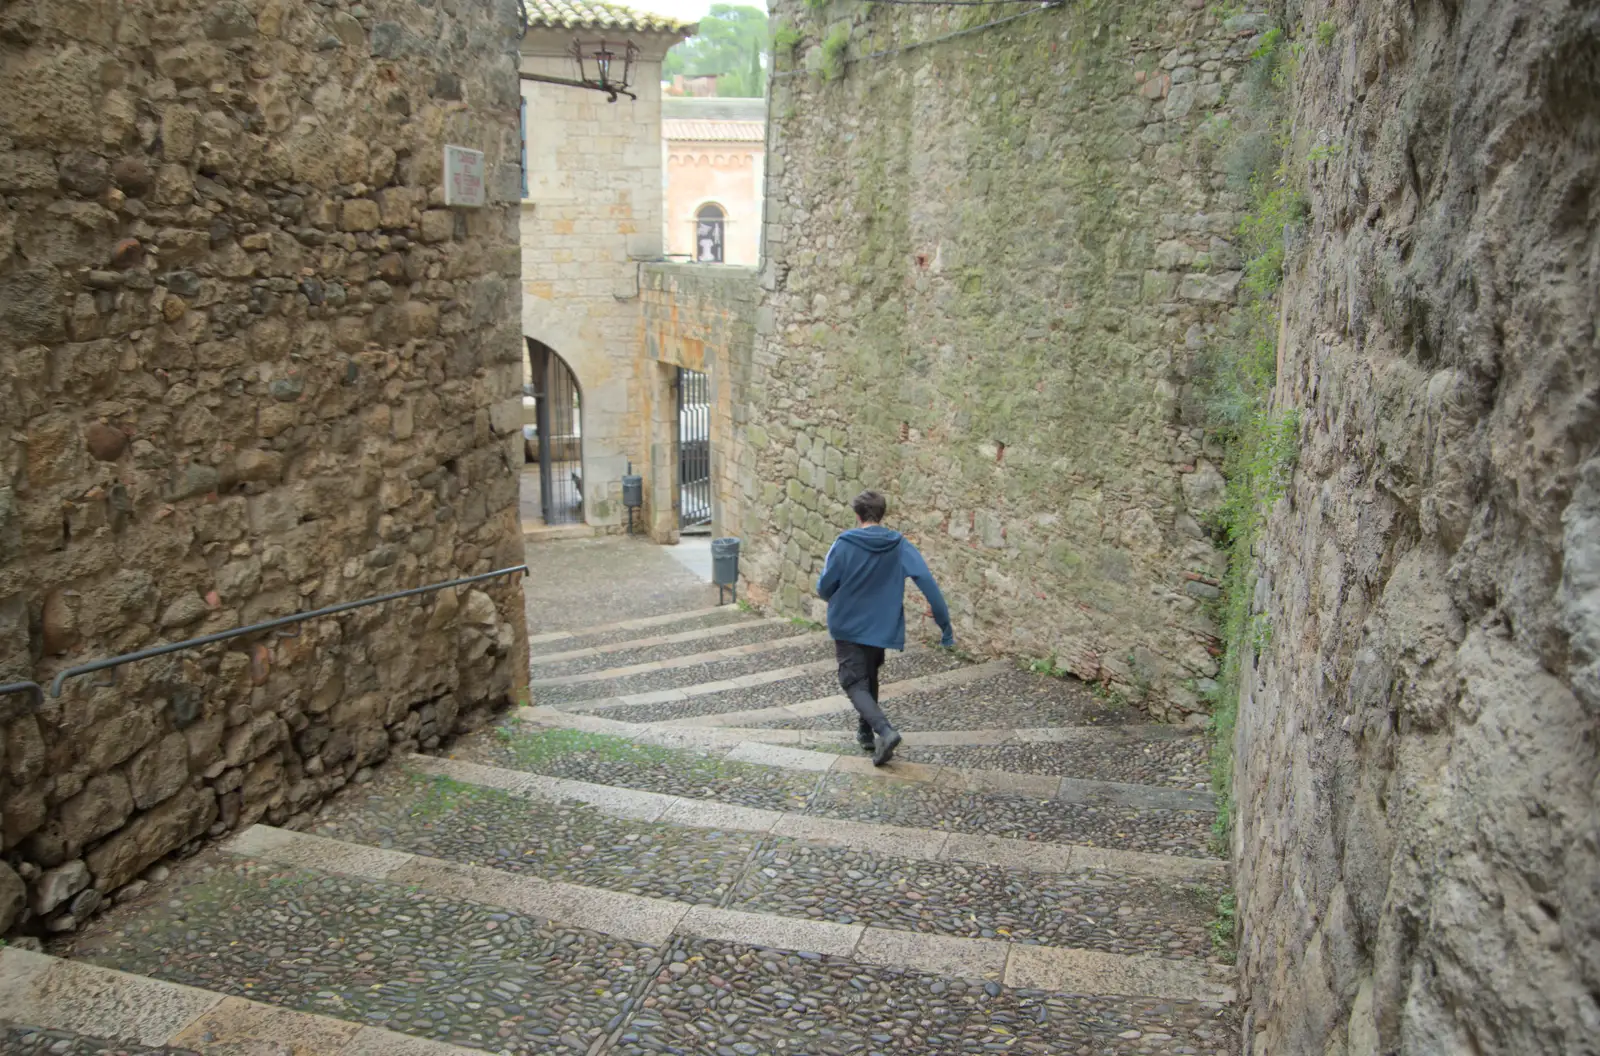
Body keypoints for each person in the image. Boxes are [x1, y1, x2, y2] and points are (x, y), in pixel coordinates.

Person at [816, 490, 955, 766]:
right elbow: (926, 580)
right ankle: (865, 731)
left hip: (847, 622)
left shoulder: (843, 543)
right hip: (880, 625)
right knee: (868, 674)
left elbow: (824, 586)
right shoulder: (899, 545)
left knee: (853, 681)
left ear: (857, 516)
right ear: (882, 514)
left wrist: (834, 593)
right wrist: (944, 624)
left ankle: (885, 731)